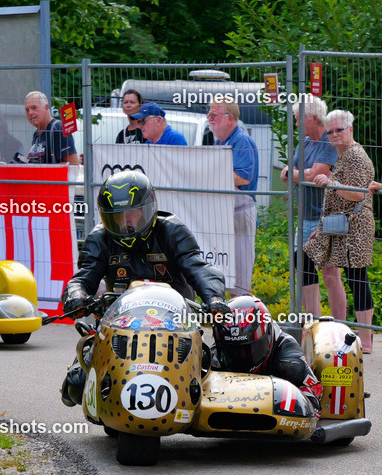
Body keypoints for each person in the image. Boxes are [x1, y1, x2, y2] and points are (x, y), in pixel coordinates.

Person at [59, 171, 229, 406]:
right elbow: (82, 278)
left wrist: (214, 299)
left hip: (174, 324)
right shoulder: (99, 238)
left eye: (133, 213)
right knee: (75, 387)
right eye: (118, 216)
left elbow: (199, 268)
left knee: (208, 375)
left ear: (149, 209)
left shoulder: (171, 230)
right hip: (121, 326)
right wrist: (76, 296)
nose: (126, 222)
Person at [304, 110, 375, 353]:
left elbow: (358, 194)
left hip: (355, 227)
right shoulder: (343, 154)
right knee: (307, 259)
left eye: (339, 130)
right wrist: (321, 229)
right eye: (330, 131)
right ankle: (332, 326)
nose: (334, 135)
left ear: (350, 130)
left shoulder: (354, 156)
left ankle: (364, 339)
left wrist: (332, 183)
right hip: (339, 226)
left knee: (357, 280)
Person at [211, 296, 324, 414]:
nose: (241, 357)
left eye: (247, 350)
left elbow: (314, 398)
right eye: (233, 351)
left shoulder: (289, 358)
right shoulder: (217, 356)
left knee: (292, 367)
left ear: (267, 336)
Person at [282, 97, 337, 315]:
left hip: (324, 216)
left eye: (298, 119)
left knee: (329, 273)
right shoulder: (304, 142)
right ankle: (312, 319)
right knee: (302, 267)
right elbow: (287, 173)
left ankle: (338, 324)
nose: (296, 124)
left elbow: (318, 174)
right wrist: (302, 174)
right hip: (304, 216)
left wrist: (297, 174)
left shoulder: (328, 142)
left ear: (312, 118)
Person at [208, 101, 259, 296]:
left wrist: (212, 174)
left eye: (215, 115)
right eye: (209, 115)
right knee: (228, 270)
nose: (210, 119)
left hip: (240, 207)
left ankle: (244, 315)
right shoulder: (221, 141)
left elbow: (243, 177)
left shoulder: (241, 140)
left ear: (230, 118)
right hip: (226, 210)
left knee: (241, 271)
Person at [23, 91, 81, 164]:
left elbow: (72, 163)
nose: (30, 113)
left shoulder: (58, 129)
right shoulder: (37, 134)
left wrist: (43, 171)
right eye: (27, 110)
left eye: (34, 108)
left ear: (47, 107)